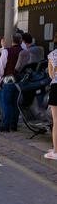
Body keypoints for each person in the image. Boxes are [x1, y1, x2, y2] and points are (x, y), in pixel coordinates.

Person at [0, 33, 23, 132]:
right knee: (16, 103)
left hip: (8, 80)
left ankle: (6, 125)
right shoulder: (24, 51)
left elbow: (1, 67)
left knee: (7, 103)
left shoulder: (6, 51)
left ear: (12, 41)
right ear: (20, 41)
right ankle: (14, 125)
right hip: (20, 81)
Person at [44, 32, 57, 160]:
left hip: (56, 87)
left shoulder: (52, 55)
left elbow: (51, 75)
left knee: (56, 120)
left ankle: (55, 151)